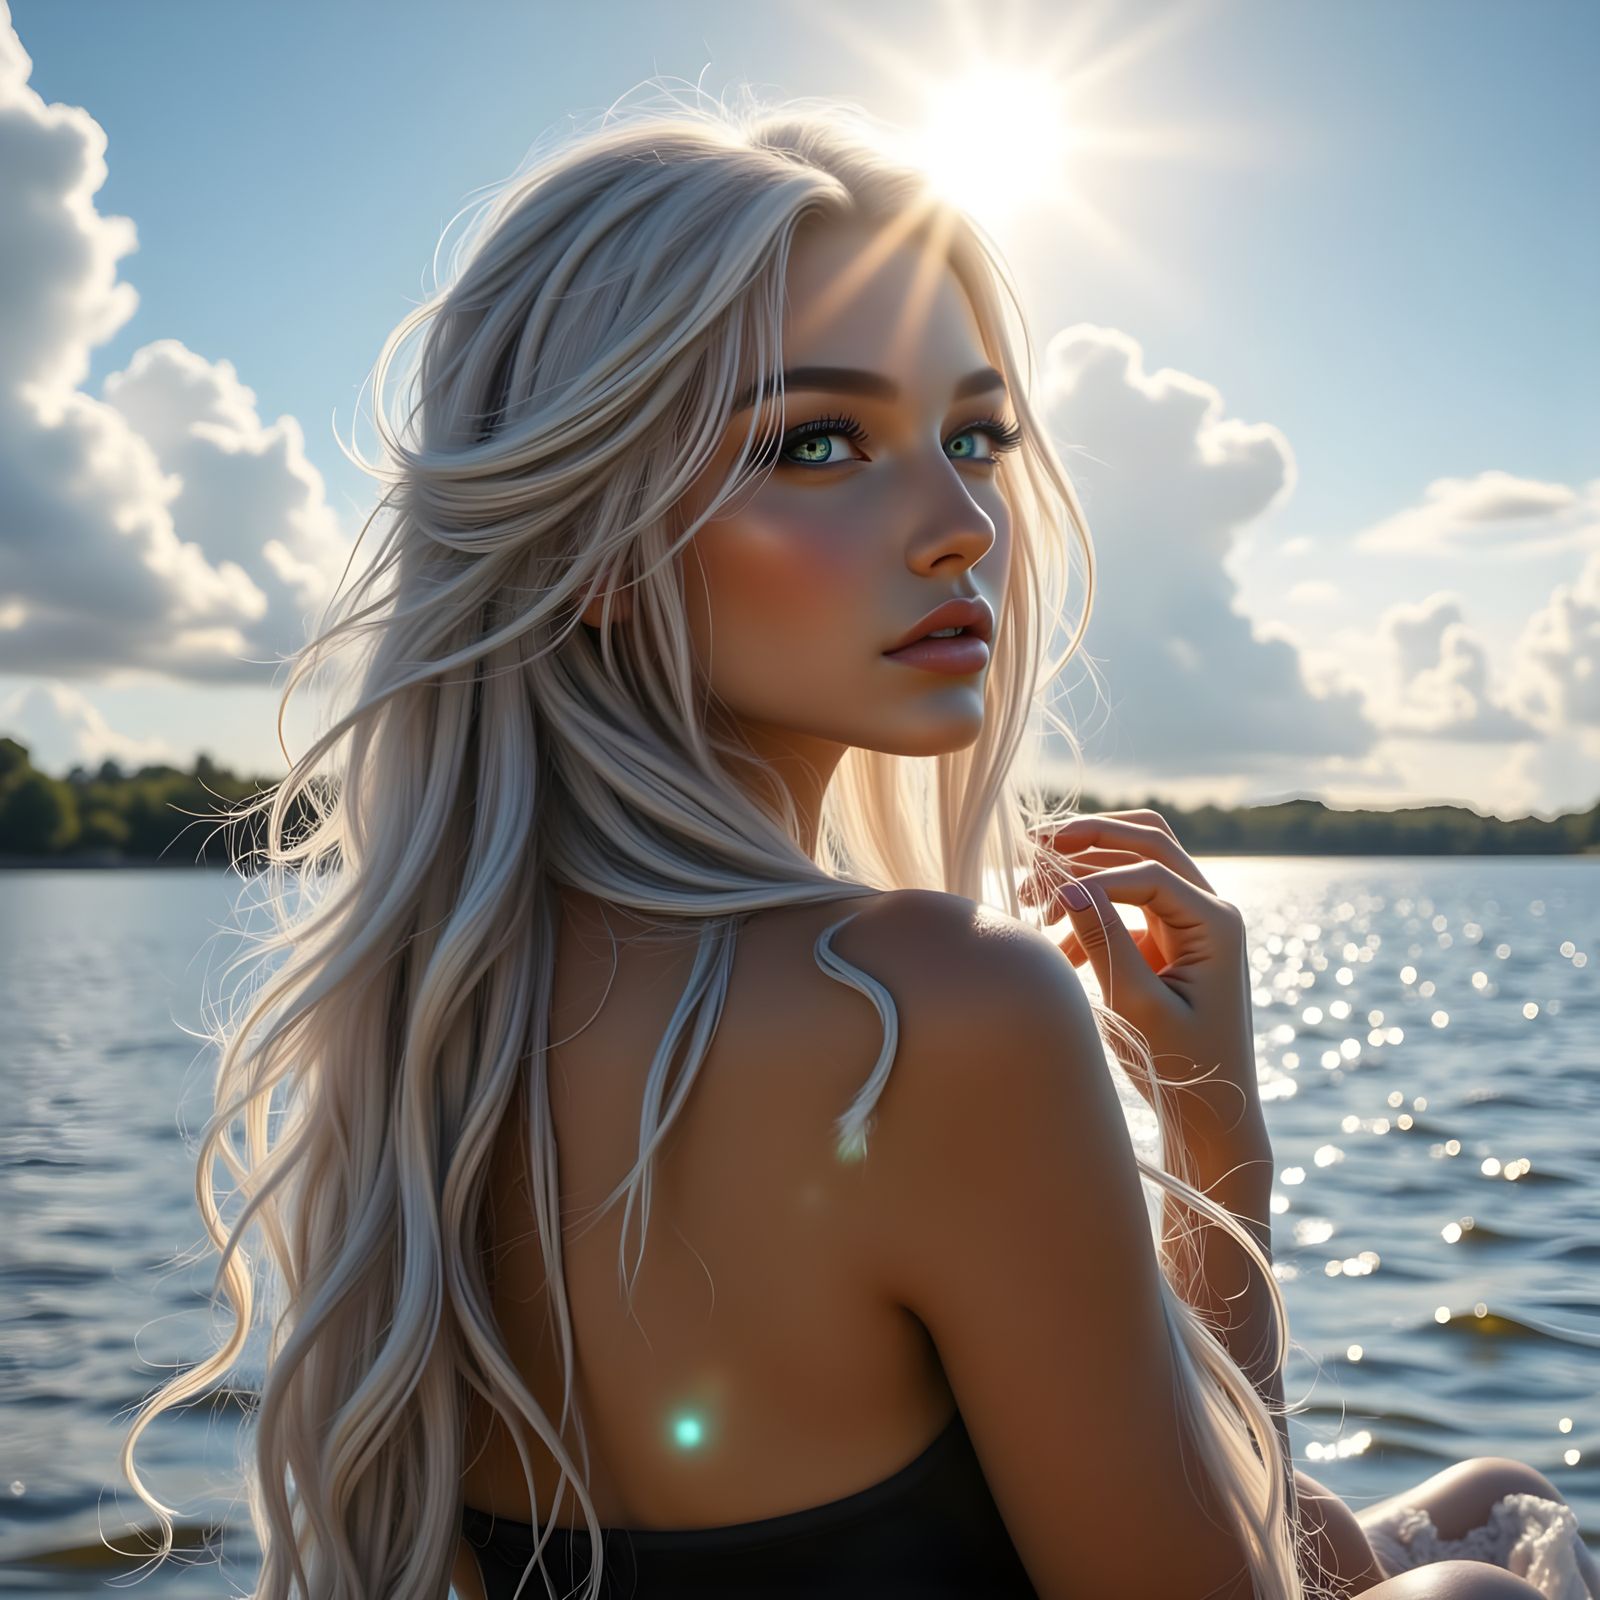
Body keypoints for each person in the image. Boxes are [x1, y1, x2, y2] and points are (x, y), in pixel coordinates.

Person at [119, 85, 1597, 1600]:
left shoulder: (443, 1019)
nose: (960, 518)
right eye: (821, 441)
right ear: (597, 547)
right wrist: (1223, 1142)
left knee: (1495, 1487)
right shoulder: (932, 1014)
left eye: (975, 434)